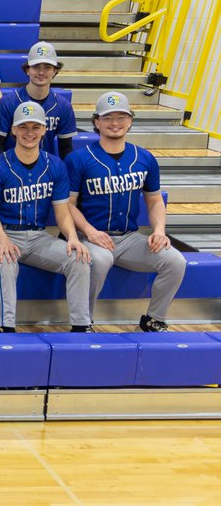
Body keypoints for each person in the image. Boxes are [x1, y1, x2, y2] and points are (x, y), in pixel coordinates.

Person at [66, 91, 187, 332]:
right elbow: (67, 205)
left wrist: (160, 231)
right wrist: (89, 232)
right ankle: (83, 322)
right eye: (108, 117)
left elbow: (154, 201)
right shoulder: (79, 159)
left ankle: (154, 318)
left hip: (129, 238)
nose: (115, 123)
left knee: (175, 261)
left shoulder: (144, 158)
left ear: (130, 120)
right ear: (96, 122)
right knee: (100, 260)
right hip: (92, 236)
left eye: (121, 117)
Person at [0, 102, 92, 332]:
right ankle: (6, 326)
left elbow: (62, 212)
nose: (29, 133)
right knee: (6, 262)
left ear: (44, 130)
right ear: (13, 130)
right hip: (7, 233)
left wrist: (72, 236)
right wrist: (1, 239)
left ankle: (81, 326)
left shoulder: (55, 165)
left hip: (40, 237)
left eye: (35, 127)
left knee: (78, 258)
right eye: (23, 127)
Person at [0, 41, 77, 158]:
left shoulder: (63, 106)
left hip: (47, 169)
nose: (41, 72)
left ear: (55, 71)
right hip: (11, 168)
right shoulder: (8, 103)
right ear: (27, 70)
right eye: (36, 67)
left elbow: (66, 148)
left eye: (47, 67)